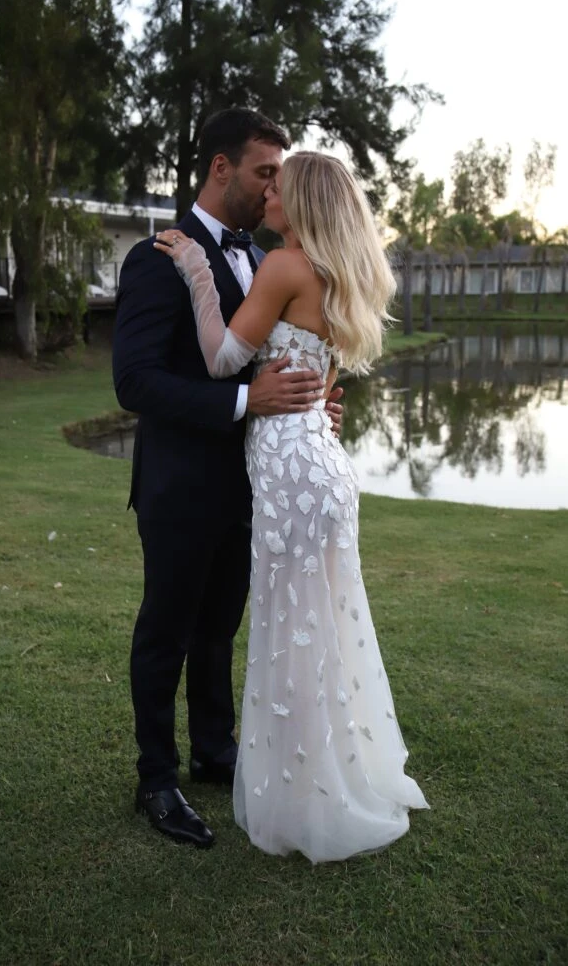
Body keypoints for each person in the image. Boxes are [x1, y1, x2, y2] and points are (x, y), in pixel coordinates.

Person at [154, 150, 429, 863]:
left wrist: (193, 271)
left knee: (291, 634)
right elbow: (317, 386)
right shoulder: (340, 278)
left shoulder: (282, 265)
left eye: (279, 183)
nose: (267, 192)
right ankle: (331, 777)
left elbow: (220, 360)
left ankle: (309, 800)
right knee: (321, 635)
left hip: (289, 475)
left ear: (301, 200)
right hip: (324, 472)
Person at [113, 109, 344, 849]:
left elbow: (274, 353)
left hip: (255, 486)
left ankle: (216, 752)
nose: (274, 184)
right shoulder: (157, 258)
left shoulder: (264, 255)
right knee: (167, 633)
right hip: (181, 487)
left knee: (220, 631)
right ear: (221, 168)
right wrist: (250, 399)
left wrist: (305, 405)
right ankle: (157, 777)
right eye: (263, 171)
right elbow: (136, 382)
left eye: (280, 173)